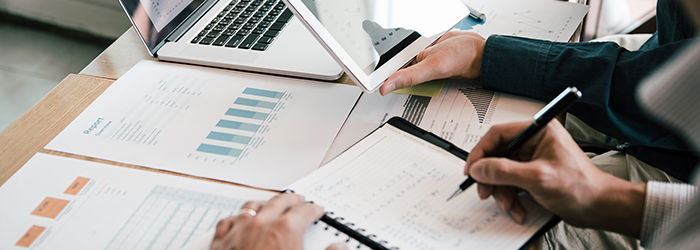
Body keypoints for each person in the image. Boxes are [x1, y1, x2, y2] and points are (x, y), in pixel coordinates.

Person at [379, 0, 698, 184]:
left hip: (683, 165)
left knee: (511, 212)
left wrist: (483, 57)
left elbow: (656, 94)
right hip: (660, 54)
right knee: (504, 107)